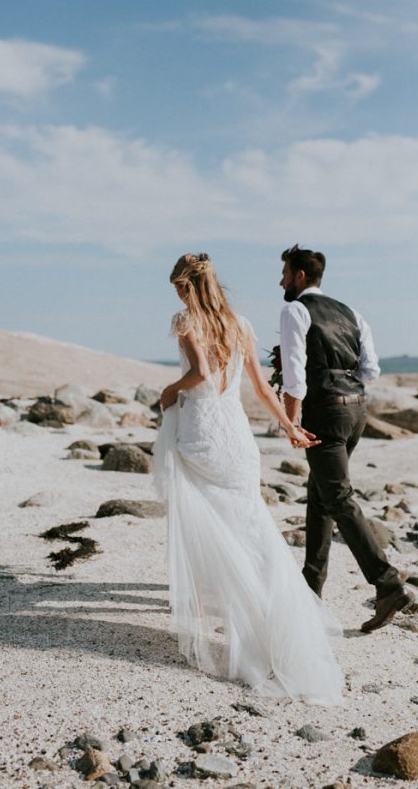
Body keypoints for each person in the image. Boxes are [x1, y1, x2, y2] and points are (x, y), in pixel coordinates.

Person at [153, 252, 343, 706]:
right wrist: (290, 426)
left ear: (187, 286)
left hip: (202, 433)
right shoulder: (240, 324)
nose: (178, 295)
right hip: (238, 439)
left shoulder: (185, 320)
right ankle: (280, 626)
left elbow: (200, 373)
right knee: (252, 528)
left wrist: (170, 390)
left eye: (179, 288)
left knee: (202, 521)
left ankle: (211, 608)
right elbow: (261, 388)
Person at [278, 244, 412, 632]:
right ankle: (310, 589)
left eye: (285, 273)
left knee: (337, 497)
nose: (281, 280)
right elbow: (371, 370)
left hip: (325, 412)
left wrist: (291, 421)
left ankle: (387, 584)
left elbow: (294, 374)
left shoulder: (295, 310)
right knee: (321, 493)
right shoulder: (351, 312)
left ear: (300, 276)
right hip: (357, 409)